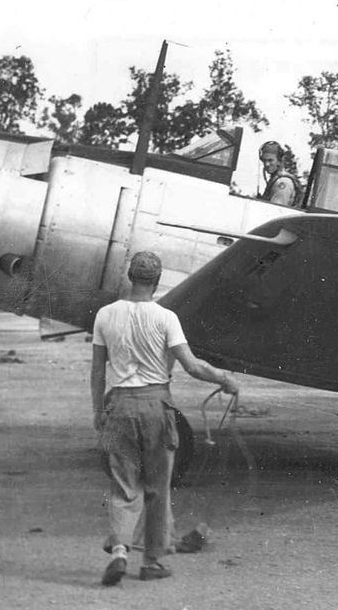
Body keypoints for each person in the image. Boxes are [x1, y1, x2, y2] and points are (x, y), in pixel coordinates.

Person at [90, 250, 239, 586]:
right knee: (158, 488)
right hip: (156, 407)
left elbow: (98, 370)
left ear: (130, 277)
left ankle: (119, 552)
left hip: (118, 407)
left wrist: (98, 412)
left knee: (124, 487)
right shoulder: (166, 318)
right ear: (156, 282)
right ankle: (153, 562)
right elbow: (192, 366)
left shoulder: (104, 315)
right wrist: (224, 379)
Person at [258, 140, 301, 207]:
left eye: (270, 160)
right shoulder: (275, 180)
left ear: (279, 160)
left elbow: (275, 210)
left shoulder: (282, 182)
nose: (267, 164)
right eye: (264, 160)